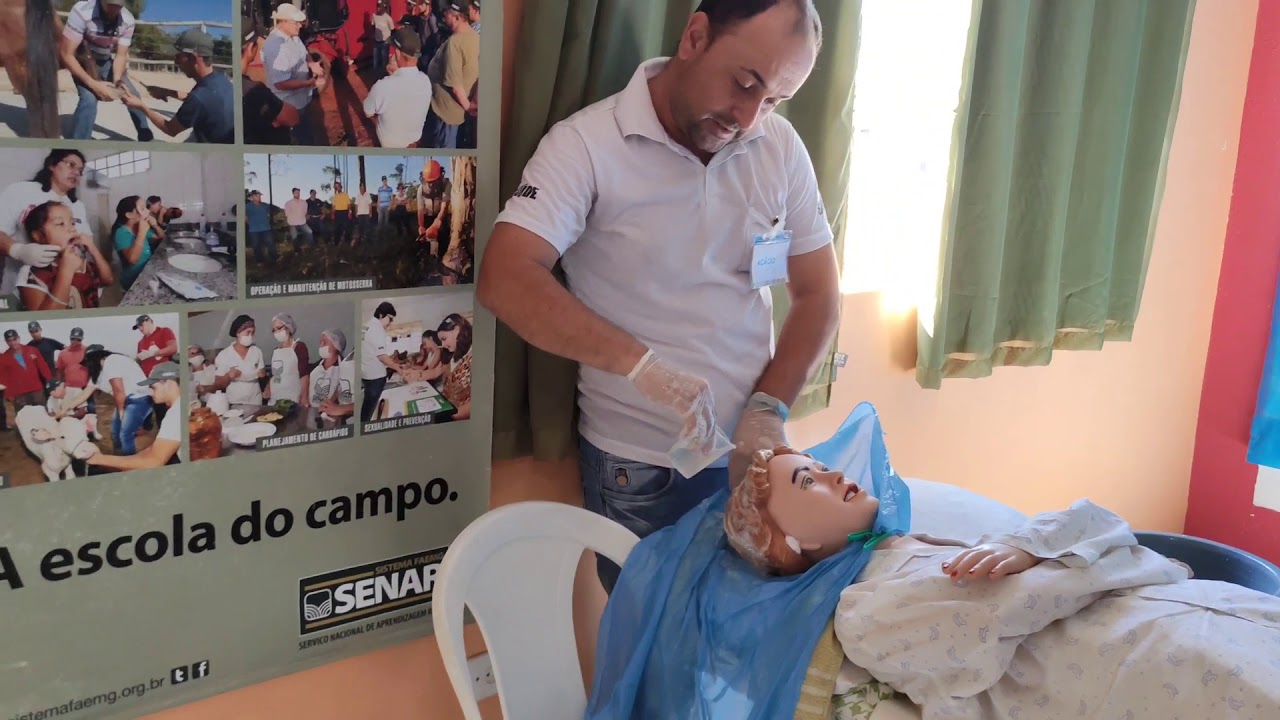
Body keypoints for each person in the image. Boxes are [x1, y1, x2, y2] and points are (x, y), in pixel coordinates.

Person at [478, 0, 839, 591]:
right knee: (657, 652)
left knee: (741, 647)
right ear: (695, 36)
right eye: (745, 84)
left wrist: (768, 410)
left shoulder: (778, 147)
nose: (750, 117)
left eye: (774, 100)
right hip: (641, 466)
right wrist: (641, 368)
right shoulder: (588, 145)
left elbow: (819, 292)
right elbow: (507, 276)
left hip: (755, 458)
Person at [720, 446, 1280, 720]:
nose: (835, 474)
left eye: (819, 464)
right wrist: (1081, 554)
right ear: (792, 544)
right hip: (1160, 667)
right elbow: (1023, 601)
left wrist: (1028, 546)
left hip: (1198, 608)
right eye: (808, 480)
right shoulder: (867, 614)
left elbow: (1103, 521)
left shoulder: (934, 543)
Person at [0, 150, 91, 300]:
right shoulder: (20, 191)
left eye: (80, 170)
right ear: (52, 165)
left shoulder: (78, 206)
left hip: (66, 287)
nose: (76, 173)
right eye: (71, 165)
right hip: (20, 286)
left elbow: (86, 242)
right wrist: (18, 250)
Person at [60, 0, 154, 141]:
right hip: (82, 59)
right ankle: (78, 143)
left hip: (106, 59)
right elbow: (66, 54)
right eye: (109, 6)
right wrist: (93, 84)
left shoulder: (127, 20)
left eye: (118, 7)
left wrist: (117, 80)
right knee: (89, 99)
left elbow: (121, 55)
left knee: (131, 93)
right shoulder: (82, 11)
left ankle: (146, 136)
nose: (113, 11)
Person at [121, 29, 235, 144]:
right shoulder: (220, 79)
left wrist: (141, 106)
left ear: (193, 58)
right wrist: (167, 92)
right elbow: (203, 102)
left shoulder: (199, 97)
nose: (175, 62)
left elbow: (170, 129)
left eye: (178, 57)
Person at [16, 201, 113, 310]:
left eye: (72, 223)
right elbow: (45, 319)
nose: (72, 229)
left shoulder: (81, 263)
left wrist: (93, 249)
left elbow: (108, 280)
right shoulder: (32, 274)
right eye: (60, 224)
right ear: (39, 236)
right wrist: (66, 271)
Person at [85, 362, 181, 470]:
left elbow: (154, 461)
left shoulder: (176, 413)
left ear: (169, 383)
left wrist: (98, 459)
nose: (149, 393)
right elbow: (153, 451)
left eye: (153, 387)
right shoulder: (177, 408)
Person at [61, 345, 150, 456]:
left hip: (139, 398)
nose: (88, 367)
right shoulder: (99, 373)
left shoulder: (111, 361)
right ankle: (118, 456)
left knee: (125, 434)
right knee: (115, 432)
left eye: (88, 363)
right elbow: (85, 394)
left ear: (95, 358)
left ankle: (129, 462)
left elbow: (118, 390)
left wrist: (121, 412)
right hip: (125, 400)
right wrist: (66, 407)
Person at [262, 3, 327, 145]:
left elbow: (304, 52)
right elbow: (280, 83)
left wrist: (312, 64)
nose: (300, 25)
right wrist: (308, 83)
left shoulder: (293, 36)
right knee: (299, 136)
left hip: (301, 99)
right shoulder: (275, 48)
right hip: (289, 104)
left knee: (304, 129)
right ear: (283, 22)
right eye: (296, 22)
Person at [420, 0, 479, 148]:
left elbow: (455, 85)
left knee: (444, 145)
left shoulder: (455, 43)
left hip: (447, 111)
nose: (444, 17)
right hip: (454, 110)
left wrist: (468, 106)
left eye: (447, 14)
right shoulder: (474, 36)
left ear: (458, 18)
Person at [364, 28, 433, 149]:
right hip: (414, 140)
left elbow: (368, 111)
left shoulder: (382, 86)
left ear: (398, 53)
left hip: (390, 144)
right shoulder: (426, 80)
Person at [212, 315, 268, 405]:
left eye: (252, 333)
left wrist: (262, 374)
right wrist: (228, 376)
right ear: (238, 333)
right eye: (247, 332)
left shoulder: (257, 351)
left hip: (255, 400)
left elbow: (262, 375)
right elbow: (218, 384)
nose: (250, 336)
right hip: (234, 401)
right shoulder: (224, 355)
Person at [360, 302, 400, 421]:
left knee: (367, 409)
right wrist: (399, 369)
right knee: (373, 411)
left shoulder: (365, 326)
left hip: (366, 375)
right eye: (390, 318)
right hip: (375, 378)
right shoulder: (377, 329)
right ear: (381, 315)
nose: (390, 322)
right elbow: (382, 356)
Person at [110, 196, 158, 290]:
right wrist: (141, 233)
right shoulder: (121, 232)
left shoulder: (138, 226)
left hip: (147, 273)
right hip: (133, 281)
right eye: (143, 208)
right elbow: (132, 259)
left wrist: (155, 225)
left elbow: (160, 237)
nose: (147, 211)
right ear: (129, 214)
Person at [0, 328, 52, 413]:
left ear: (19, 338)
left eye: (14, 339)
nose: (13, 343)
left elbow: (43, 366)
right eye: (9, 341)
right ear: (6, 342)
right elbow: (3, 377)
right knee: (23, 419)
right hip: (19, 394)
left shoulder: (32, 350)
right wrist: (9, 394)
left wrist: (50, 381)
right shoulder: (4, 357)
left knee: (42, 415)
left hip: (37, 390)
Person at [307, 328, 355, 420]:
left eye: (324, 342)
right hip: (312, 414)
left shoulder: (345, 369)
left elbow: (341, 394)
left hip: (332, 416)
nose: (321, 345)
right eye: (320, 342)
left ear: (336, 346)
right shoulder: (315, 368)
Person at [269, 312, 310, 404]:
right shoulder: (276, 351)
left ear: (288, 327)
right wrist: (267, 389)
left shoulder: (299, 347)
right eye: (274, 330)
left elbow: (304, 376)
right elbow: (274, 375)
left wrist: (304, 398)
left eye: (279, 328)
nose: (276, 332)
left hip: (292, 399)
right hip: (275, 398)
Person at [56, 327, 93, 421]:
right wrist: (60, 386)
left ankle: (89, 432)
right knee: (69, 412)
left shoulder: (88, 352)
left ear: (82, 339)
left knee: (90, 412)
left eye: (78, 339)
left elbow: (93, 369)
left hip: (85, 388)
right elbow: (59, 371)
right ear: (69, 338)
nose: (75, 342)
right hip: (69, 388)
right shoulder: (63, 353)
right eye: (73, 339)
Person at [417, 159, 450, 259]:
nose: (431, 184)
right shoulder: (421, 189)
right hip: (428, 216)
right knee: (426, 239)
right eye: (428, 182)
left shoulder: (446, 185)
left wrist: (436, 224)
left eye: (433, 181)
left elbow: (444, 207)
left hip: (441, 215)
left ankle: (441, 258)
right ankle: (428, 260)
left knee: (443, 238)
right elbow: (420, 210)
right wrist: (421, 226)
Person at [245, 190, 275, 263]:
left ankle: (274, 258)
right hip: (254, 230)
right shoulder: (248, 206)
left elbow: (269, 215)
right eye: (257, 196)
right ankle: (259, 261)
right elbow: (245, 218)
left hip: (266, 228)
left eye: (259, 195)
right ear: (252, 197)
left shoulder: (265, 205)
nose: (259, 197)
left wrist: (267, 221)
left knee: (270, 243)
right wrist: (251, 224)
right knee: (256, 246)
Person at [371, 1, 395, 78]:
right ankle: (376, 77)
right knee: (375, 61)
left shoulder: (388, 18)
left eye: (379, 6)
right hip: (376, 41)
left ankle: (384, 77)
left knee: (384, 61)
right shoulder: (374, 15)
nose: (378, 8)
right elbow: (373, 26)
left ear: (384, 8)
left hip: (385, 42)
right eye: (377, 6)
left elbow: (392, 30)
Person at [331, 182, 352, 246]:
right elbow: (333, 206)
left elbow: (349, 204)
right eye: (336, 187)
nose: (337, 187)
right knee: (337, 228)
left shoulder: (345, 195)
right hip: (337, 213)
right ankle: (336, 242)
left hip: (344, 212)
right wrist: (333, 213)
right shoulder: (335, 196)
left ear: (341, 186)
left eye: (338, 186)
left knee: (346, 228)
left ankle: (347, 241)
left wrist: (349, 212)